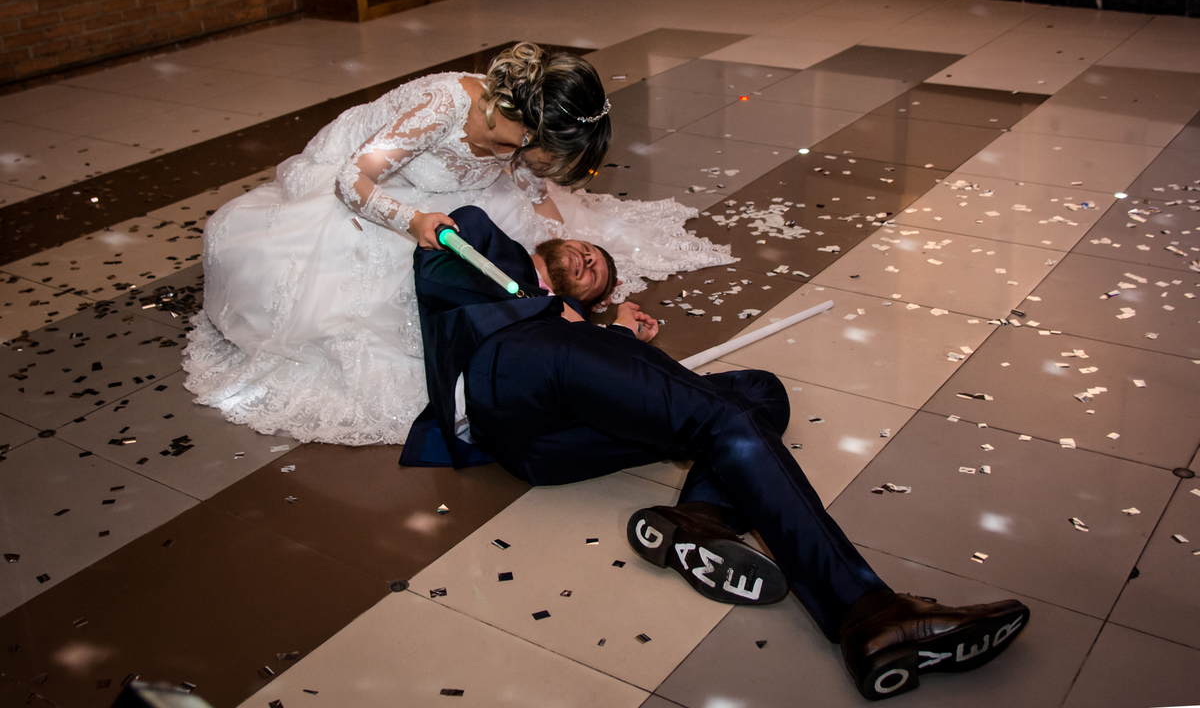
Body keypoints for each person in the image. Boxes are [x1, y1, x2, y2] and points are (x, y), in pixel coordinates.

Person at [406, 206, 1031, 702]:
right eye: (580, 251)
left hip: (551, 450)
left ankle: (700, 518)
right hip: (513, 372)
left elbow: (618, 381)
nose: (586, 259)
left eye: (595, 270)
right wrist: (547, 303)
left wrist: (613, 335)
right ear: (547, 246)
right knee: (722, 420)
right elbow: (437, 268)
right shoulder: (493, 246)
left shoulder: (589, 333)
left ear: (596, 302)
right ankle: (867, 612)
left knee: (757, 391)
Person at [182, 42, 734, 445]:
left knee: (494, 263)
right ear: (534, 132)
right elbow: (351, 179)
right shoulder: (441, 108)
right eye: (560, 156)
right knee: (378, 289)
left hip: (442, 191)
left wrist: (554, 239)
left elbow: (527, 181)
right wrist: (411, 221)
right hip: (368, 180)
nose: (559, 169)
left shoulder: (521, 131)